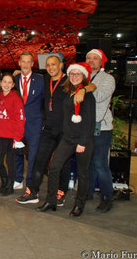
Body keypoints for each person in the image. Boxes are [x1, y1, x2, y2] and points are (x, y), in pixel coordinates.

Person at [36, 62, 95, 217]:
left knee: (82, 174)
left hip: (83, 140)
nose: (74, 76)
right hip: (67, 138)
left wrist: (82, 142)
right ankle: (51, 201)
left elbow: (89, 121)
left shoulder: (87, 95)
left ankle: (79, 205)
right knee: (54, 168)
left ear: (83, 76)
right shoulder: (69, 91)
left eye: (78, 74)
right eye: (72, 74)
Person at [16, 56, 73, 205]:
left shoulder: (69, 80)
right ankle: (33, 192)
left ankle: (61, 192)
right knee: (39, 160)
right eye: (48, 65)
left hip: (65, 129)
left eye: (54, 64)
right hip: (48, 128)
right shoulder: (45, 79)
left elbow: (88, 86)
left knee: (63, 163)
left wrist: (84, 89)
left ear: (61, 64)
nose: (51, 67)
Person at [84, 49, 116, 213]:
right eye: (88, 58)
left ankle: (107, 197)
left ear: (101, 61)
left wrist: (87, 88)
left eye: (94, 58)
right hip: (85, 126)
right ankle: (88, 192)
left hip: (101, 127)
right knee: (88, 162)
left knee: (100, 163)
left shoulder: (108, 79)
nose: (91, 61)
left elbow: (100, 96)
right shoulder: (83, 77)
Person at [14, 52, 44, 190]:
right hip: (17, 124)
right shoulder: (13, 80)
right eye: (23, 61)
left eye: (28, 62)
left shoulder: (40, 80)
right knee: (17, 152)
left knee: (33, 155)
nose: (25, 65)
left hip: (34, 124)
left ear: (32, 64)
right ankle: (17, 178)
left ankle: (30, 183)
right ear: (19, 63)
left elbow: (46, 101)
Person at [0, 73, 25, 196]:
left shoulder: (16, 98)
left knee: (11, 163)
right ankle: (5, 180)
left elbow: (21, 119)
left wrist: (17, 138)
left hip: (11, 137)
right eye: (4, 82)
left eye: (9, 82)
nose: (6, 85)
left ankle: (9, 186)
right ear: (0, 83)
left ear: (13, 85)